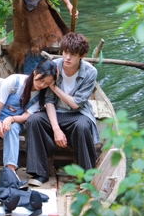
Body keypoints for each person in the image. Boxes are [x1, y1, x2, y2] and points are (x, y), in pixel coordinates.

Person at [25, 33, 100, 186]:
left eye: (72, 55)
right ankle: (39, 173)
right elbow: (49, 101)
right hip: (55, 113)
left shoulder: (90, 72)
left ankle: (87, 177)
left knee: (82, 126)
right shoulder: (54, 66)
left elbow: (75, 104)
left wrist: (54, 87)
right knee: (34, 120)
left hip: (78, 114)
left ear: (82, 55)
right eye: (65, 52)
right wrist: (56, 129)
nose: (67, 58)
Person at [0, 59, 58, 191]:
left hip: (16, 120)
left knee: (12, 130)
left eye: (47, 84)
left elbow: (25, 116)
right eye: (41, 80)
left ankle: (10, 173)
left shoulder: (41, 97)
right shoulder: (13, 81)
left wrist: (11, 119)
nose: (42, 85)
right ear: (35, 72)